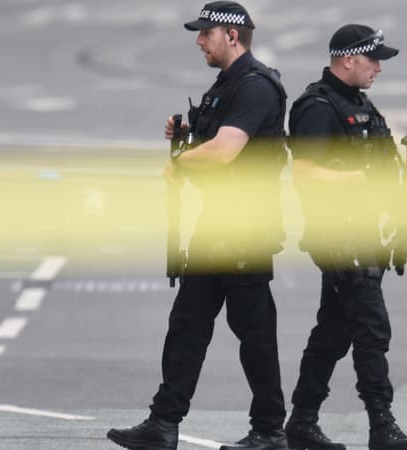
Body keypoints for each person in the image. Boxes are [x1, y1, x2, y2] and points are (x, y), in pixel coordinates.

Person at [107, 2, 289, 450]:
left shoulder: (256, 86)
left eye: (206, 32)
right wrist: (186, 134)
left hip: (245, 225)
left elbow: (227, 150)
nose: (198, 40)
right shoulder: (226, 86)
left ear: (232, 36)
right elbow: (219, 137)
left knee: (254, 331)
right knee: (187, 324)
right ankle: (163, 424)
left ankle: (269, 430)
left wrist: (181, 165)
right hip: (215, 223)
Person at [284, 24, 407, 450]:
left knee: (334, 330)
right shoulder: (318, 107)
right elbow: (304, 173)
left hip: (366, 234)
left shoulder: (359, 104)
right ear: (348, 58)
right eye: (373, 59)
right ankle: (381, 425)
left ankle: (302, 421)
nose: (379, 67)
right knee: (370, 328)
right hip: (337, 236)